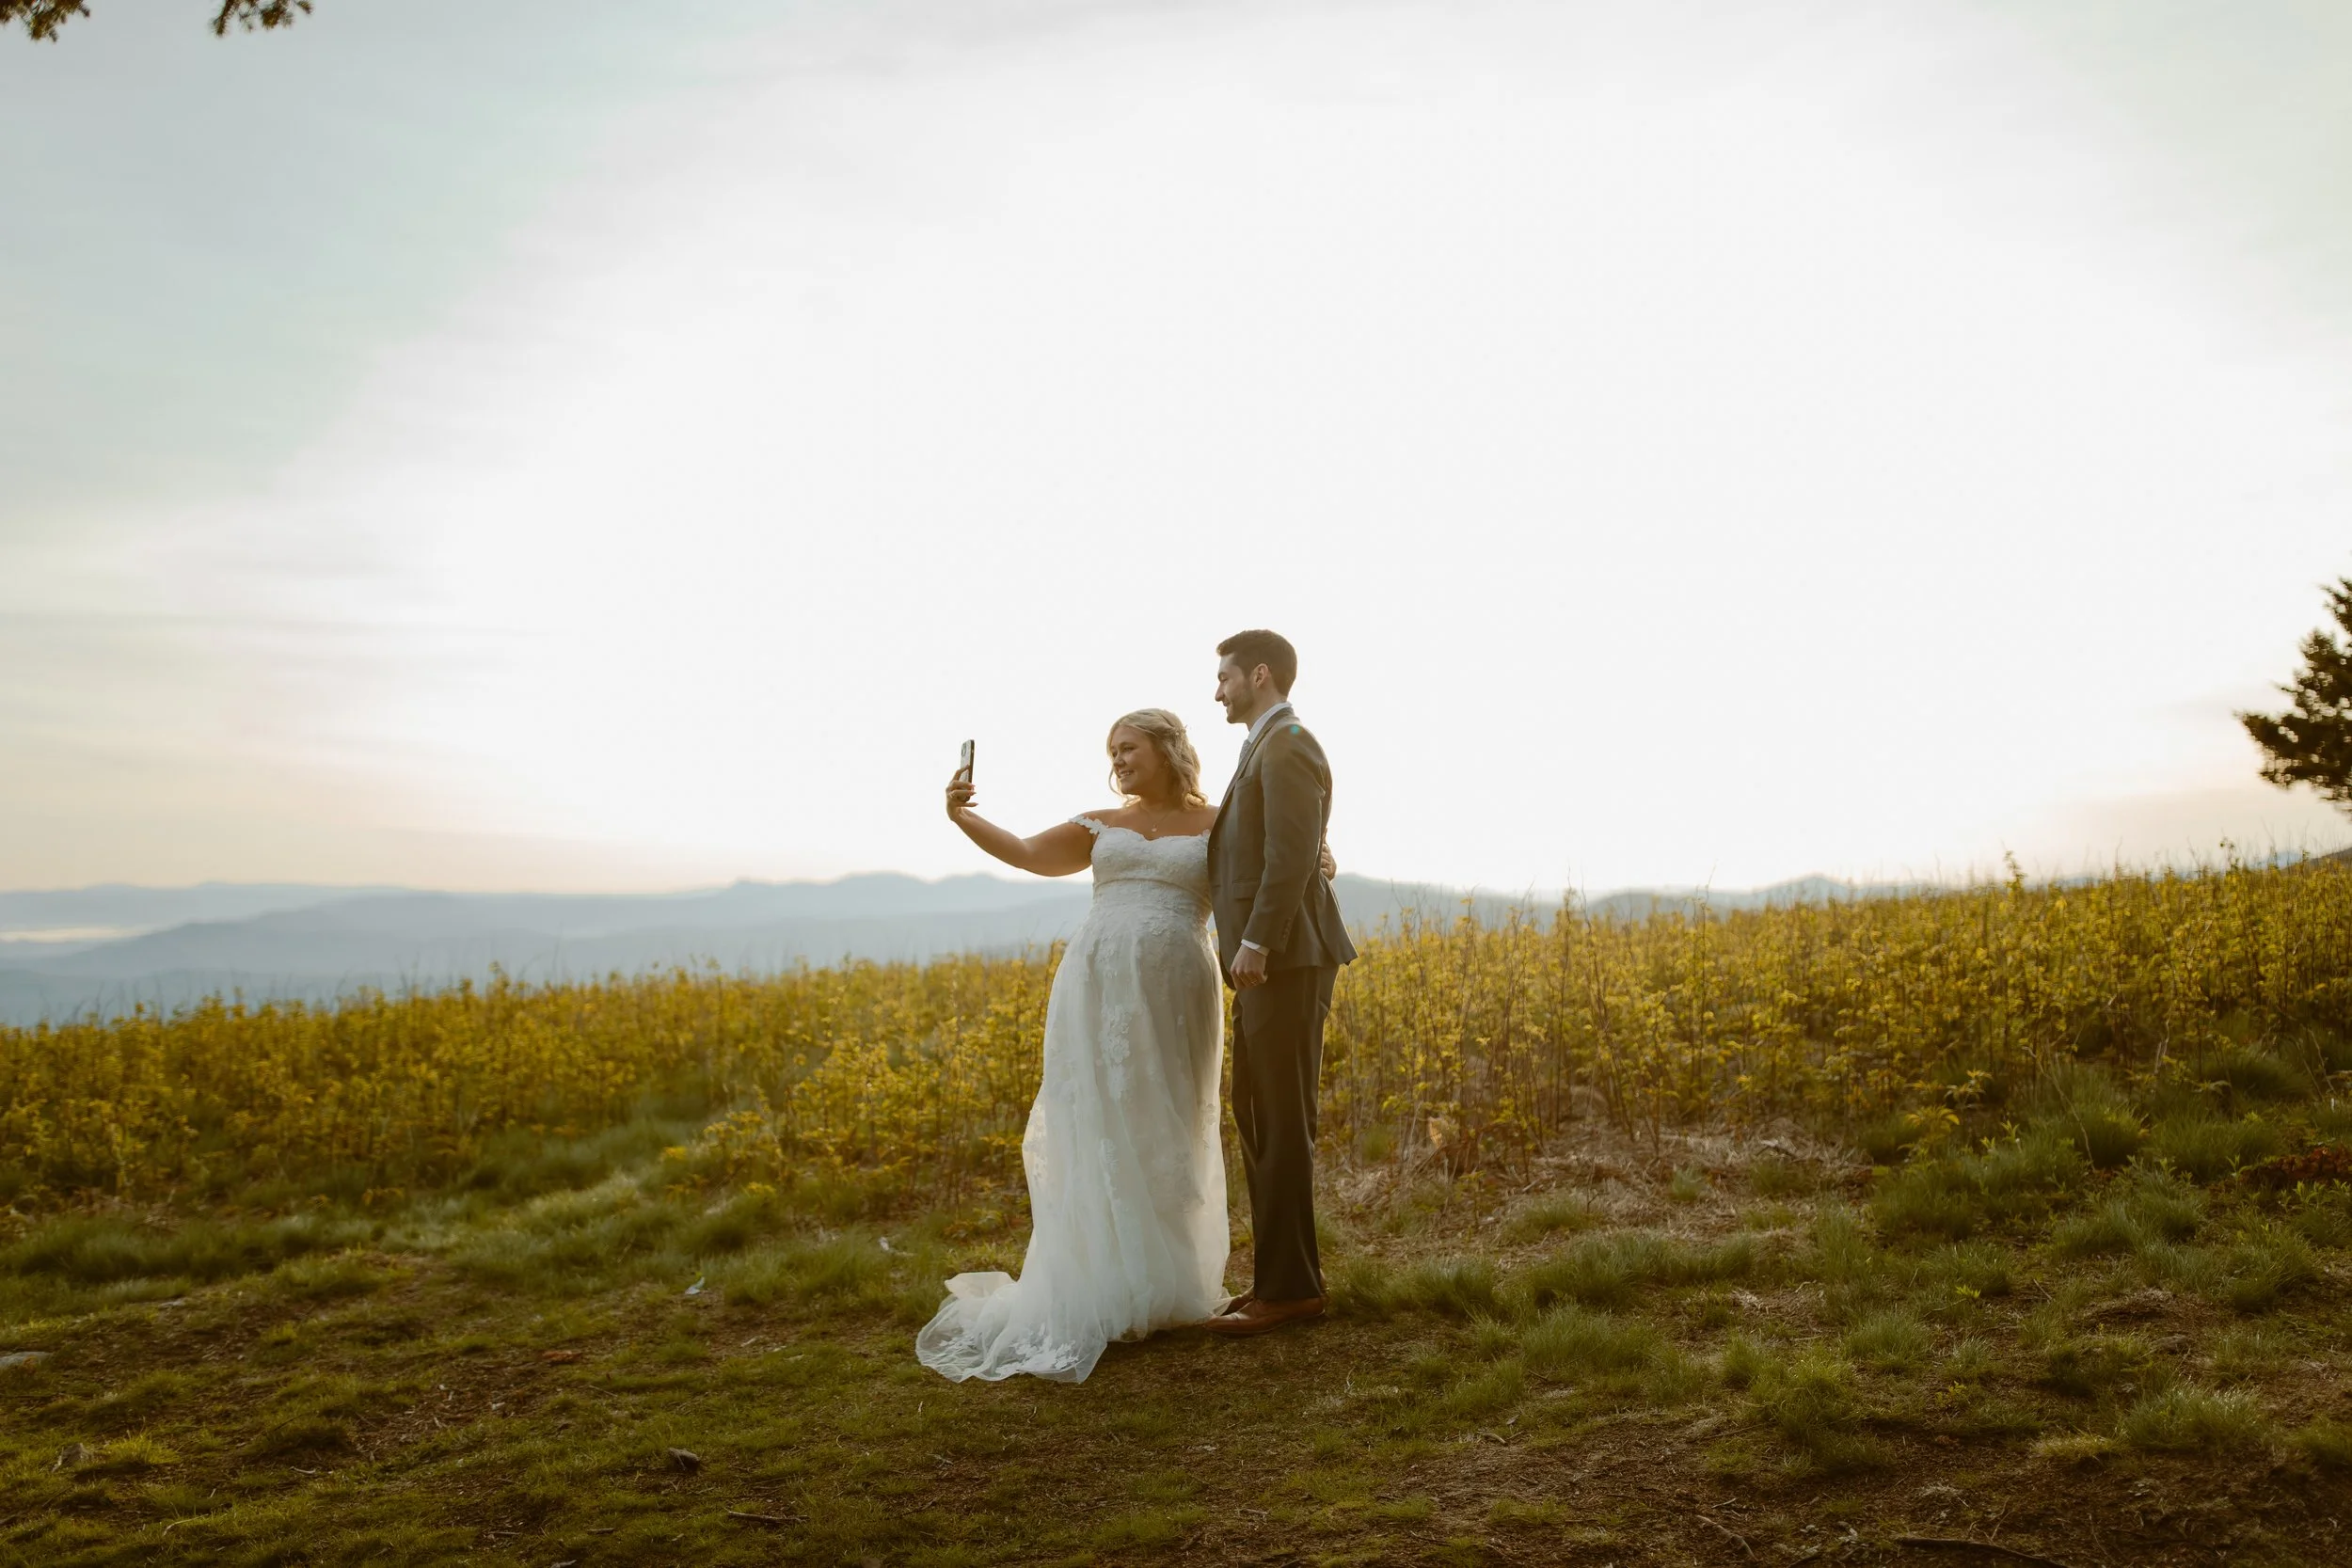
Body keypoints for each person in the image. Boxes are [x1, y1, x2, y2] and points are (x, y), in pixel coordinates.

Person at [915, 709, 1245, 1381]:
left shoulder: (1220, 820)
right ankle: (1101, 1281)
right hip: (1096, 982)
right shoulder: (1101, 822)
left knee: (1169, 1122)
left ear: (1167, 748)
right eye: (1112, 750)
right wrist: (962, 817)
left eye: (1129, 747)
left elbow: (1270, 866)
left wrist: (1322, 858)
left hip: (1179, 983)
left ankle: (1166, 1280)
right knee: (1096, 1120)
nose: (1118, 759)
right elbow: (1028, 854)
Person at [1201, 629, 1357, 1338]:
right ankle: (1277, 1280)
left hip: (1285, 957)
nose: (1218, 690)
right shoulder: (1266, 744)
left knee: (1282, 1119)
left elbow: (1291, 851)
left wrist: (1258, 939)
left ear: (1259, 675)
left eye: (1226, 677)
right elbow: (1295, 843)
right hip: (1271, 957)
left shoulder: (1287, 741)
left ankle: (1293, 1290)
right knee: (1262, 1112)